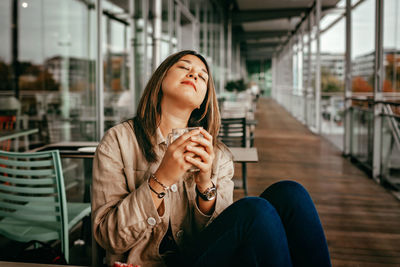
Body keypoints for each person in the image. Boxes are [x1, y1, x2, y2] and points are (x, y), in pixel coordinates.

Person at [92, 50, 332, 267]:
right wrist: (160, 179)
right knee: (255, 209)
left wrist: (205, 185)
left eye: (203, 76)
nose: (194, 74)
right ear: (160, 79)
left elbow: (225, 236)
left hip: (202, 257)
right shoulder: (118, 141)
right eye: (184, 67)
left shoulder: (218, 155)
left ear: (203, 101)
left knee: (291, 193)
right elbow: (108, 237)